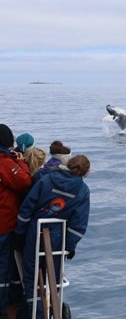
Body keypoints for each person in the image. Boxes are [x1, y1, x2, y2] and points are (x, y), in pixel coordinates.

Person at [14, 155, 90, 319]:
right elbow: (78, 223)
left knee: (31, 278)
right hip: (57, 237)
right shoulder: (82, 191)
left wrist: (20, 234)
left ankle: (37, 314)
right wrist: (70, 246)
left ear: (67, 164)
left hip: (35, 233)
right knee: (53, 279)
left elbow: (27, 207)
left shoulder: (47, 179)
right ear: (86, 172)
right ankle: (50, 312)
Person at [0, 124, 32, 319]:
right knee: (4, 267)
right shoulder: (4, 162)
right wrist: (21, 163)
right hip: (4, 224)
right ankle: (4, 308)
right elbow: (24, 182)